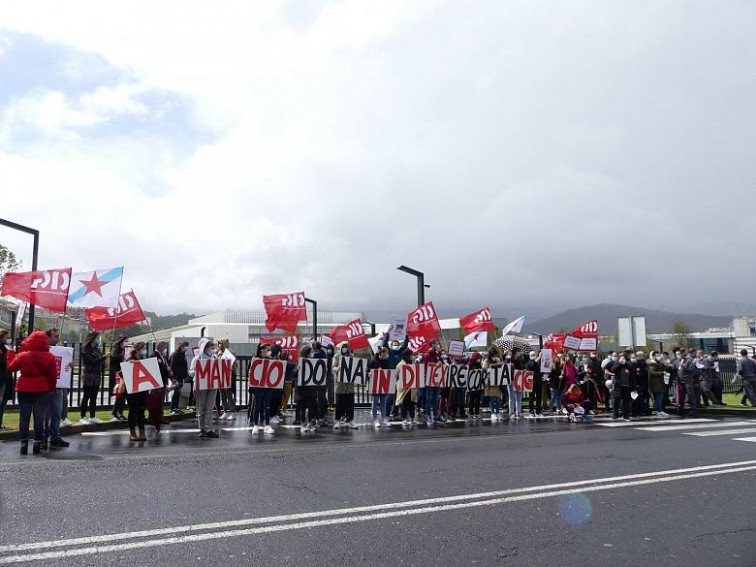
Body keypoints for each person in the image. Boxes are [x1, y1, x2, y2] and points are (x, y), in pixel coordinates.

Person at [8, 331, 57, 455]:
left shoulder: (24, 355)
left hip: (24, 388)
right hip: (42, 389)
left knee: (24, 417)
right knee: (39, 417)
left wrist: (11, 354)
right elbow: (53, 377)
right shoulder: (50, 357)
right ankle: (36, 442)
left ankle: (24, 443)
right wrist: (51, 388)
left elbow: (11, 368)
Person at [190, 338, 220, 439]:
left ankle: (208, 428)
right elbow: (191, 373)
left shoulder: (214, 357)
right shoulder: (197, 359)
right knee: (201, 407)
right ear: (203, 347)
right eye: (207, 345)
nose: (210, 347)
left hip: (212, 385)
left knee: (209, 407)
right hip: (200, 386)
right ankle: (202, 428)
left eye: (211, 345)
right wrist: (197, 371)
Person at [79, 331, 107, 425]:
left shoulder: (96, 349)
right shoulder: (85, 349)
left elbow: (100, 361)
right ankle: (83, 416)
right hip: (88, 374)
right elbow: (91, 361)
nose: (98, 340)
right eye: (97, 338)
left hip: (97, 374)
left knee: (94, 397)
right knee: (86, 396)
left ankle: (92, 416)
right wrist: (103, 358)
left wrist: (104, 364)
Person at [125, 342, 149, 442]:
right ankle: (132, 432)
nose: (144, 350)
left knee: (141, 410)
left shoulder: (143, 359)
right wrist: (129, 366)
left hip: (142, 389)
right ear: (138, 349)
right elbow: (122, 373)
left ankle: (142, 431)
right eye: (143, 348)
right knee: (133, 410)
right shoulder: (129, 360)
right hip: (132, 390)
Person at [147, 341, 172, 435]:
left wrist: (169, 372)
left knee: (161, 400)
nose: (165, 348)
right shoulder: (153, 355)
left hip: (163, 380)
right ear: (160, 347)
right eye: (164, 347)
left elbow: (166, 365)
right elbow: (154, 367)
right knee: (155, 400)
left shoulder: (163, 356)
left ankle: (160, 417)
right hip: (157, 380)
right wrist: (166, 369)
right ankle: (151, 418)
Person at [332, 341, 359, 429]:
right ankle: (337, 421)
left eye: (346, 346)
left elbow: (357, 368)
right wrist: (337, 368)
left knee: (350, 404)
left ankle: (351, 420)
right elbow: (333, 367)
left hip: (349, 385)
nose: (345, 348)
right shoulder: (337, 356)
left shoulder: (352, 356)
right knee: (339, 404)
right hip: (340, 385)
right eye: (343, 346)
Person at [368, 347, 391, 428]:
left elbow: (389, 372)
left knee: (383, 402)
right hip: (375, 384)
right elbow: (368, 370)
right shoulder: (373, 361)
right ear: (381, 353)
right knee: (375, 402)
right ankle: (375, 419)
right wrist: (370, 374)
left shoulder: (387, 362)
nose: (386, 355)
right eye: (385, 353)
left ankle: (384, 418)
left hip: (383, 384)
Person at [216, 338, 237, 421]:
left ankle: (233, 412)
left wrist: (230, 366)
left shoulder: (230, 352)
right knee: (222, 394)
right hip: (220, 375)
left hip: (228, 375)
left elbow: (235, 365)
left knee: (229, 394)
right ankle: (225, 411)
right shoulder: (218, 352)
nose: (219, 345)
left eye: (220, 343)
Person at [395, 349, 417, 426]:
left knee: (412, 403)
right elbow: (396, 377)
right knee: (403, 404)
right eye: (411, 355)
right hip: (403, 388)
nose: (412, 356)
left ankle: (412, 418)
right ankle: (404, 418)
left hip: (412, 388)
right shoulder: (400, 365)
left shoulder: (413, 364)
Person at [109, 335, 128, 422]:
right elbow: (114, 359)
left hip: (125, 374)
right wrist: (123, 354)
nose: (126, 344)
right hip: (118, 375)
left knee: (123, 396)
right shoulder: (115, 350)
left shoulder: (126, 350)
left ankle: (120, 412)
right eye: (125, 342)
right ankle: (114, 413)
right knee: (119, 395)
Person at [0, 330, 16, 431]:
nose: (8, 340)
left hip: (6, 379)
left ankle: (0, 421)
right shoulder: (3, 350)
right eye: (6, 337)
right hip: (2, 379)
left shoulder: (7, 349)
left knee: (3, 403)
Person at [169, 341, 189, 415]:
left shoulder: (182, 354)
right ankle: (173, 408)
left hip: (180, 377)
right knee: (176, 392)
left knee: (178, 392)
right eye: (185, 346)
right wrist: (173, 377)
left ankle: (176, 407)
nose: (186, 348)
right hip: (176, 377)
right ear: (181, 346)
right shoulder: (175, 354)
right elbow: (173, 366)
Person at [483, 347, 502, 420]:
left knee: (497, 398)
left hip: (497, 381)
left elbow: (501, 367)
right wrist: (488, 370)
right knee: (492, 398)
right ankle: (493, 413)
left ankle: (497, 412)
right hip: (490, 381)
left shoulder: (498, 360)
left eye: (496, 355)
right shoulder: (486, 361)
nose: (495, 357)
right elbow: (484, 369)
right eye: (494, 355)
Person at [647, 351, 669, 418]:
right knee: (659, 398)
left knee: (657, 398)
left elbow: (660, 369)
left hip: (658, 383)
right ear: (653, 356)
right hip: (656, 383)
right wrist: (662, 373)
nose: (659, 357)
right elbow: (653, 373)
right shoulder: (652, 364)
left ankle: (657, 410)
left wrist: (666, 367)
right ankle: (659, 411)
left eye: (659, 355)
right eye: (657, 355)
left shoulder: (658, 363)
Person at [610, 354, 632, 421]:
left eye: (624, 359)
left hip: (626, 386)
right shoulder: (617, 365)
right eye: (621, 358)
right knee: (616, 401)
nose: (623, 360)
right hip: (618, 386)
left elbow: (631, 373)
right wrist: (619, 363)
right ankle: (615, 414)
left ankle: (625, 415)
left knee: (626, 401)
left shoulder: (628, 366)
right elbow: (613, 370)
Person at [526, 350, 543, 417]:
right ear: (529, 356)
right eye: (532, 355)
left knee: (539, 397)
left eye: (534, 355)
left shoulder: (538, 363)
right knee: (531, 397)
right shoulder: (529, 362)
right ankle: (531, 411)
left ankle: (538, 411)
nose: (533, 356)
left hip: (538, 381)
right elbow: (533, 364)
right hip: (531, 382)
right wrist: (539, 357)